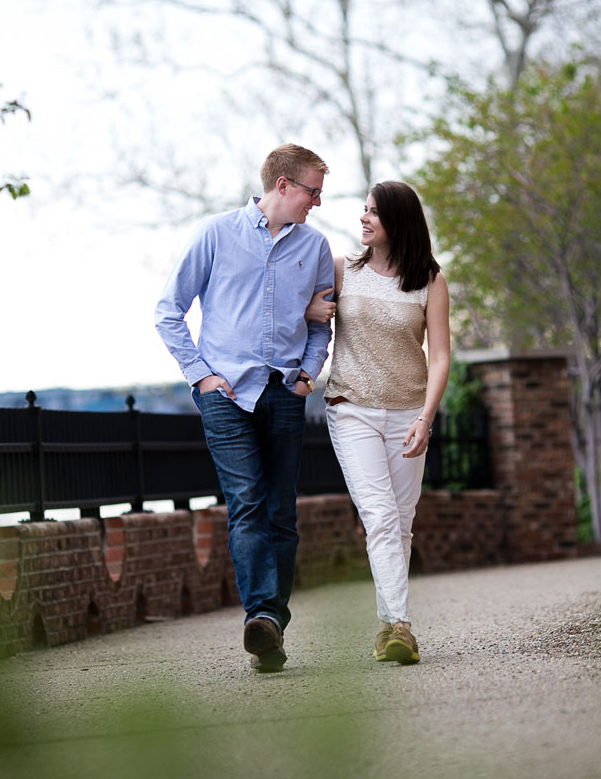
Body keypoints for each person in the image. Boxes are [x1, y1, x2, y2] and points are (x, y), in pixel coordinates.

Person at [155, 144, 334, 672]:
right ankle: (261, 614)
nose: (317, 202)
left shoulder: (316, 247)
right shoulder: (216, 235)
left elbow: (321, 322)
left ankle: (271, 627)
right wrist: (202, 377)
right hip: (226, 395)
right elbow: (169, 312)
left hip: (283, 391)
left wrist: (307, 374)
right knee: (248, 503)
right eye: (312, 191)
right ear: (282, 185)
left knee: (281, 510)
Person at [307, 180, 450, 665]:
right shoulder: (343, 270)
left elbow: (441, 356)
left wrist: (426, 418)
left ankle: (387, 624)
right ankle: (403, 628)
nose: (362, 219)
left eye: (373, 213)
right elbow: (302, 311)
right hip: (352, 408)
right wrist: (311, 308)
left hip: (409, 413)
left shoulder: (429, 280)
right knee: (381, 515)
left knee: (401, 521)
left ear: (399, 222)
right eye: (363, 210)